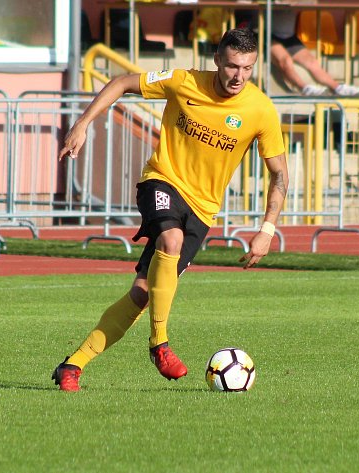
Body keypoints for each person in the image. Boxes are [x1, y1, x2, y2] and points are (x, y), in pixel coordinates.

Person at [52, 28, 289, 392]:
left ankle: (72, 365)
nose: (238, 76)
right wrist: (83, 123)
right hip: (161, 181)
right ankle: (159, 344)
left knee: (142, 293)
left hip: (203, 209)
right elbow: (121, 83)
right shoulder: (183, 81)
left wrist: (267, 230)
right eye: (231, 66)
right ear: (217, 61)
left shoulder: (260, 110)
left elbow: (279, 176)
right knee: (171, 238)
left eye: (247, 68)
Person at [270, 8, 359, 96]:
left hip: (288, 36)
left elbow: (310, 2)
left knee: (312, 62)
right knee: (286, 60)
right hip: (265, 33)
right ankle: (304, 88)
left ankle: (338, 88)